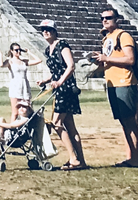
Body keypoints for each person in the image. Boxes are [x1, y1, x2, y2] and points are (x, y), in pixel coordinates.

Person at [89, 9, 138, 167]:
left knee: (130, 122)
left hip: (124, 82)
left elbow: (130, 59)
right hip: (112, 83)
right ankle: (131, 156)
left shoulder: (123, 35)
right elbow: (110, 61)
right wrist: (101, 61)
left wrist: (107, 58)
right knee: (123, 122)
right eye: (102, 18)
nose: (104, 21)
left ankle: (136, 159)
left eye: (108, 18)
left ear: (117, 19)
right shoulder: (107, 38)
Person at [35, 19, 86, 170]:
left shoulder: (62, 45)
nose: (45, 31)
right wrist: (46, 80)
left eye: (48, 29)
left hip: (67, 89)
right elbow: (56, 71)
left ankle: (73, 158)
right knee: (69, 126)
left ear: (55, 30)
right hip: (60, 88)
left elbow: (70, 66)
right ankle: (80, 161)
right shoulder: (47, 50)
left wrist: (60, 82)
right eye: (43, 29)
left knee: (56, 123)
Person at [0, 42, 43, 119]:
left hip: (24, 86)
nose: (18, 52)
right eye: (16, 50)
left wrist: (29, 52)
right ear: (12, 51)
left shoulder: (23, 61)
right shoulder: (10, 61)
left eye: (20, 50)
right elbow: (1, 65)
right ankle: (12, 128)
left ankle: (27, 128)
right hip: (15, 86)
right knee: (15, 112)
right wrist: (0, 54)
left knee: (27, 110)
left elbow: (39, 60)